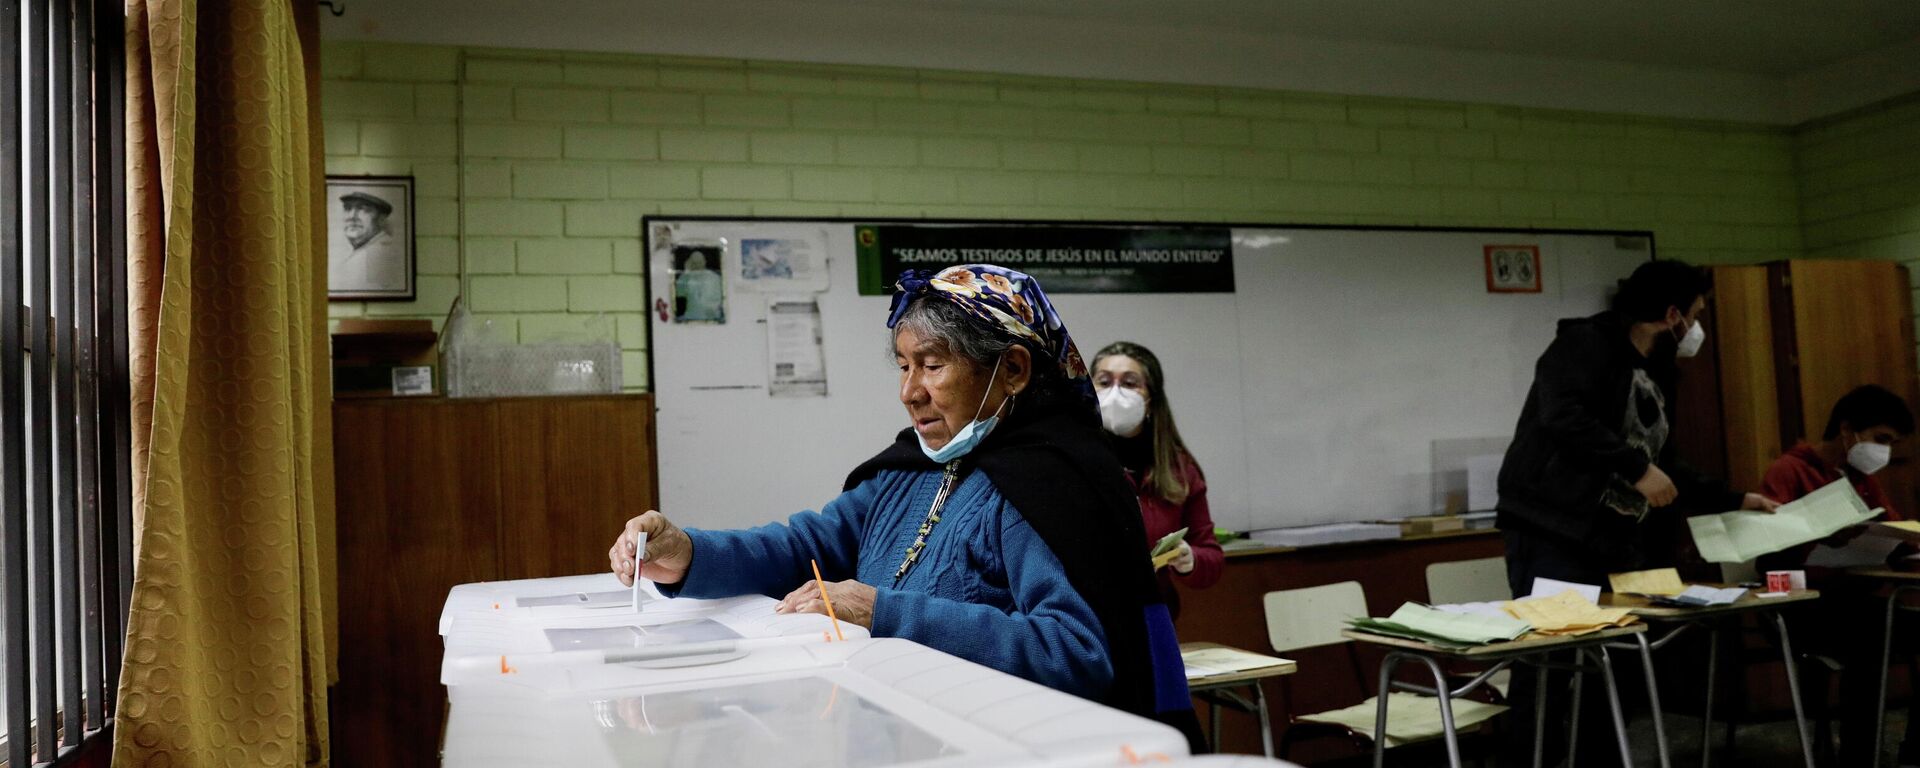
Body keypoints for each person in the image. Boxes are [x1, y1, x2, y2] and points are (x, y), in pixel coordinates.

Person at [607, 264, 1204, 747]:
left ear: (1014, 369)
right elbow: (807, 545)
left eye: (933, 365)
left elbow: (1073, 652)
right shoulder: (910, 470)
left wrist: (884, 613)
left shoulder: (1052, 488)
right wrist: (688, 554)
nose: (908, 391)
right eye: (903, 365)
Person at [1495, 258, 1777, 766]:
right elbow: (1565, 417)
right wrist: (1635, 469)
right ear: (1672, 314)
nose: (1697, 327)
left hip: (1614, 536)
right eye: (1696, 313)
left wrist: (1733, 498)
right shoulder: (1583, 344)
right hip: (1553, 529)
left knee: (1614, 665)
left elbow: (1661, 458)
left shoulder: (1658, 369)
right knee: (1550, 663)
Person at [1758, 385, 1918, 767]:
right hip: (1803, 607)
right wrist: (1818, 539)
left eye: (1893, 443)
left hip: (1855, 602)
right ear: (1847, 430)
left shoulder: (1860, 479)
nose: (1886, 451)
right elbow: (1766, 555)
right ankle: (1857, 758)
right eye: (1881, 439)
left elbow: (1893, 529)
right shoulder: (1789, 470)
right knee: (1870, 641)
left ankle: (1913, 753)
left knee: (1882, 628)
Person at [1092, 341, 1222, 620]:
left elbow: (1211, 559)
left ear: (1151, 398)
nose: (1115, 392)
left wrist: (1189, 559)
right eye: (1104, 382)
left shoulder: (1178, 468)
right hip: (1090, 619)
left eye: (1130, 383)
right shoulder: (1075, 460)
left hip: (1154, 615)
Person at [331, 191, 404, 292]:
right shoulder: (363, 249)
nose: (352, 216)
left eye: (363, 209)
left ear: (381, 219)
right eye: (347, 208)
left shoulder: (382, 252)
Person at [674, 251, 724, 322]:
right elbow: (679, 293)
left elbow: (719, 300)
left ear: (704, 262)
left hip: (711, 318)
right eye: (694, 263)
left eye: (699, 262)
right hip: (690, 317)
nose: (697, 265)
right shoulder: (687, 277)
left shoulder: (715, 278)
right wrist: (686, 272)